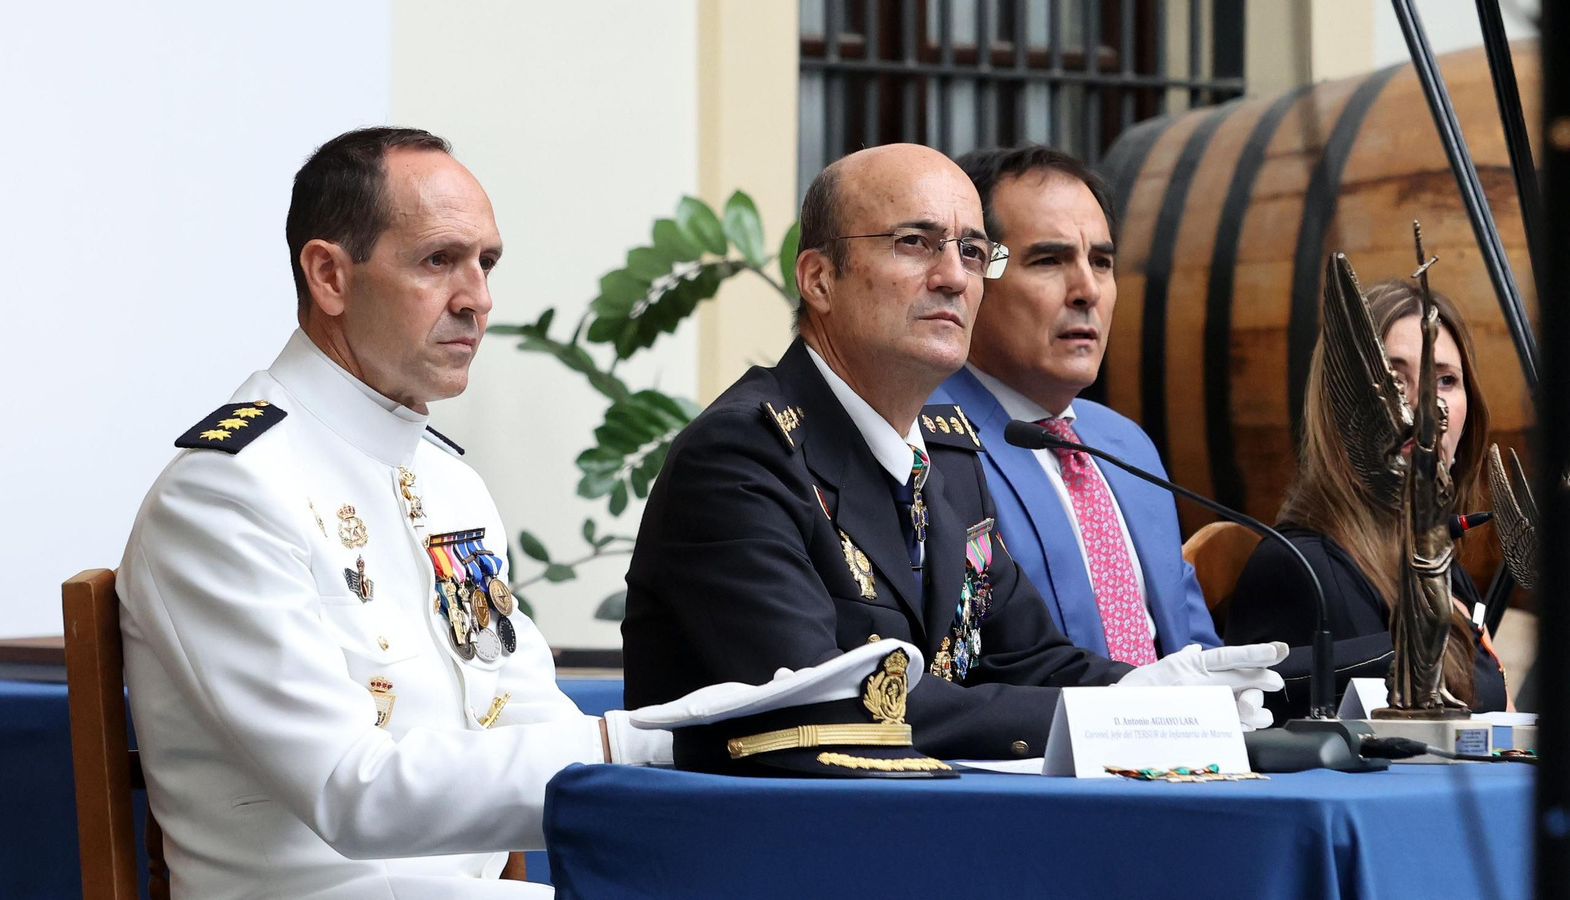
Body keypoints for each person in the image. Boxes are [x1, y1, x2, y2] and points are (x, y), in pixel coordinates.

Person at [116, 127, 668, 900]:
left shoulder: (448, 484)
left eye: (486, 263)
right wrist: (636, 744)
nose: (477, 297)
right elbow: (351, 790)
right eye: (439, 260)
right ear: (330, 277)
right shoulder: (227, 493)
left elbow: (529, 715)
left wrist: (703, 743)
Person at [621, 143, 1286, 762]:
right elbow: (842, 707)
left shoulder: (948, 456)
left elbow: (1028, 661)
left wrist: (1158, 693)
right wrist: (1120, 714)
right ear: (820, 279)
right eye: (914, 243)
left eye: (972, 251)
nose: (954, 278)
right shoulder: (744, 457)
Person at [932, 145, 1218, 664]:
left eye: (1102, 262)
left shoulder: (1125, 444)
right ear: (972, 277)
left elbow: (1194, 645)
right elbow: (964, 669)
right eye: (1048, 260)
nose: (1087, 289)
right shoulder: (927, 443)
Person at [1225, 277, 1508, 720]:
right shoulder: (1306, 572)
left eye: (1446, 381)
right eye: (1396, 381)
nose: (1425, 407)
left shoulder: (1441, 563)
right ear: (1342, 405)